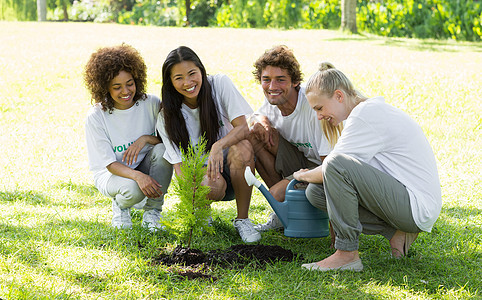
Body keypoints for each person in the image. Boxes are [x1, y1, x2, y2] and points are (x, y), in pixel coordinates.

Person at [294, 62, 442, 271]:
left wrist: (302, 175)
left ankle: (347, 254)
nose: (319, 116)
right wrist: (310, 178)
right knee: (317, 192)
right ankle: (396, 233)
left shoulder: (365, 115)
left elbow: (334, 166)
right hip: (407, 202)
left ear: (339, 96)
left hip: (415, 205)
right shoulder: (363, 113)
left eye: (319, 108)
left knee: (335, 165)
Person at [156, 46, 261, 243]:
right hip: (208, 179)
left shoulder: (219, 84)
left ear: (201, 70)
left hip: (234, 168)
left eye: (192, 74)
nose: (187, 83)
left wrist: (218, 146)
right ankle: (206, 216)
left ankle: (243, 220)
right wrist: (194, 203)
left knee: (243, 147)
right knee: (210, 185)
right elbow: (179, 168)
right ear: (170, 82)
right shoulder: (166, 117)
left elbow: (243, 128)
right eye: (178, 78)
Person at [84, 44, 173, 231]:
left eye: (130, 83)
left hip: (144, 165)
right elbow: (108, 163)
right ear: (104, 88)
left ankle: (152, 213)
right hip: (110, 174)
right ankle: (121, 206)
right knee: (132, 189)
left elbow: (168, 142)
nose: (125, 91)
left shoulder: (151, 104)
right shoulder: (96, 116)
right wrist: (138, 177)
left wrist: (145, 139)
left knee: (164, 151)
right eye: (117, 87)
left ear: (137, 80)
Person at [248, 45, 335, 232]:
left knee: (276, 193)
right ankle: (284, 212)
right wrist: (262, 121)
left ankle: (288, 204)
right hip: (300, 161)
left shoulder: (313, 105)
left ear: (295, 81)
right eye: (266, 80)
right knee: (255, 136)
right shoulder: (272, 99)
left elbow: (330, 166)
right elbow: (254, 117)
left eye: (280, 80)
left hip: (323, 166)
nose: (272, 87)